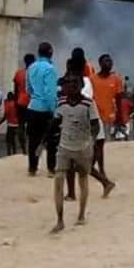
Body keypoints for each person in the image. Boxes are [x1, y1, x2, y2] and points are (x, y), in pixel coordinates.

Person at [50, 74, 114, 233]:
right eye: (68, 84)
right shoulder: (61, 102)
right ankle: (60, 220)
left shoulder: (88, 104)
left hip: (83, 148)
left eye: (74, 83)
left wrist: (92, 141)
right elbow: (55, 122)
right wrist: (45, 140)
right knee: (59, 179)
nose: (71, 87)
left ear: (80, 86)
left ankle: (81, 215)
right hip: (64, 147)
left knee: (83, 179)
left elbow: (94, 124)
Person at [88, 54, 122, 195]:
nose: (109, 63)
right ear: (100, 63)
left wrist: (120, 117)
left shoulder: (116, 79)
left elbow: (119, 99)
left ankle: (96, 170)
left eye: (110, 60)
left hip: (108, 117)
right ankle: (99, 171)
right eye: (106, 61)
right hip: (94, 117)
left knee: (99, 145)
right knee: (98, 145)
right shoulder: (92, 79)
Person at [26, 42, 60, 176]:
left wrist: (35, 98)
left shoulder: (31, 67)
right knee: (51, 141)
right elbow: (50, 93)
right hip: (45, 110)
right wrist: (54, 110)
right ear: (50, 52)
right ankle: (51, 169)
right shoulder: (50, 69)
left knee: (33, 140)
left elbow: (28, 89)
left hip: (32, 107)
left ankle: (32, 168)